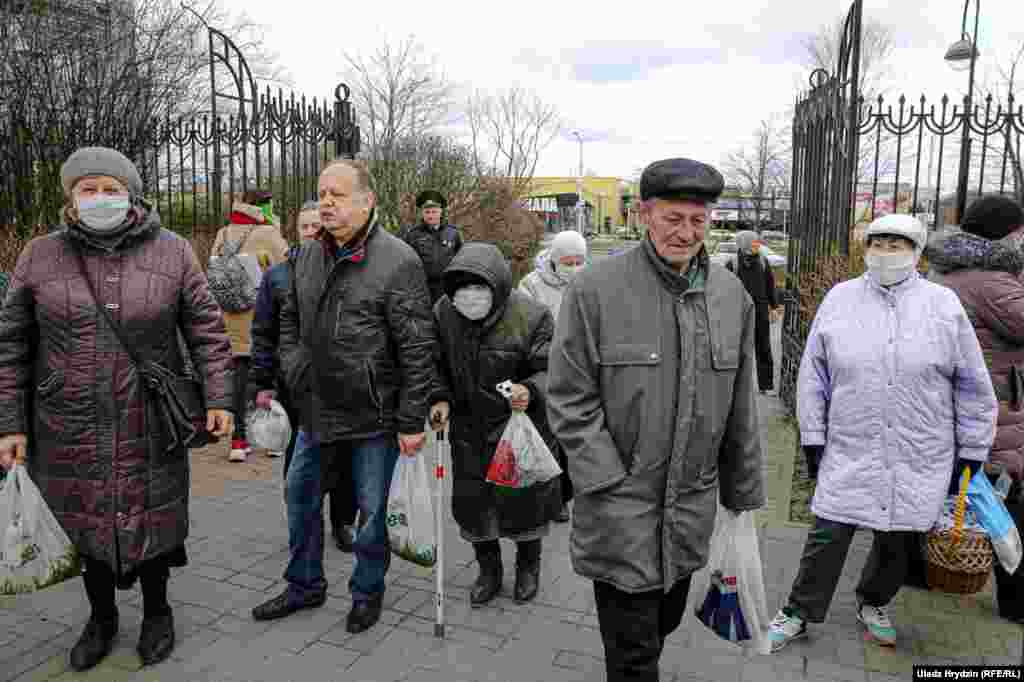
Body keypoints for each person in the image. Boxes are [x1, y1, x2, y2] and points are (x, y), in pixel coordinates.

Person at [0, 147, 235, 670]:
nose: (100, 198)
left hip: (149, 415)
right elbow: (11, 344)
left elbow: (206, 330)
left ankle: (158, 612)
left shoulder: (173, 251)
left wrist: (220, 397)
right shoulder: (40, 255)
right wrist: (9, 424)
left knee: (151, 512)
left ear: (132, 195)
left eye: (111, 189)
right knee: (86, 519)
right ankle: (101, 618)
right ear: (71, 198)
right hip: (67, 420)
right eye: (89, 189)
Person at [546, 158, 765, 682]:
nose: (686, 233)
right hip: (621, 511)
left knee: (664, 623)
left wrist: (742, 494)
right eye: (673, 218)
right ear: (644, 214)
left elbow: (741, 405)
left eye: (698, 220)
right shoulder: (594, 290)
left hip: (689, 510)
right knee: (633, 654)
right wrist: (607, 481)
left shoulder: (730, 296)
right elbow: (569, 397)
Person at [768, 214, 998, 652]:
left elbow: (972, 382)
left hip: (919, 449)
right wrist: (813, 435)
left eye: (897, 245)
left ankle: (873, 601)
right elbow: (813, 374)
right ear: (867, 249)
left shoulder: (942, 305)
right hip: (850, 444)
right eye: (879, 243)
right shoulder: (841, 299)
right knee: (828, 533)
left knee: (899, 539)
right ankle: (799, 610)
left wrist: (972, 448)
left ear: (916, 253)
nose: (886, 253)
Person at [251, 159, 446, 635]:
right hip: (316, 409)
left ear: (367, 201)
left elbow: (418, 347)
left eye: (337, 194)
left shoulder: (398, 260)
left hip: (373, 417)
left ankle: (367, 592)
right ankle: (304, 585)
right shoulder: (306, 255)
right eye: (322, 194)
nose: (327, 203)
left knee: (372, 511)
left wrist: (411, 421)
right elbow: (290, 318)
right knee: (300, 498)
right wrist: (295, 366)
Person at [434, 242, 562, 606]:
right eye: (463, 287)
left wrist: (530, 389)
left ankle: (528, 567)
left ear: (498, 285)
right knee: (474, 507)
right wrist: (438, 397)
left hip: (520, 428)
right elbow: (432, 362)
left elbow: (553, 368)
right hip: (468, 430)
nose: (470, 295)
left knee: (526, 503)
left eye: (479, 286)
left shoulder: (532, 315)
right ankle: (488, 570)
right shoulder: (445, 312)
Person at [927, 195, 1024, 622]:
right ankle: (1017, 599)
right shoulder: (993, 280)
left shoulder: (947, 269)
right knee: (1007, 496)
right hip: (996, 400)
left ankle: (919, 570)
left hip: (955, 397)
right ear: (1006, 234)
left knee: (946, 486)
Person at [248, 200, 358, 552]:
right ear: (295, 232)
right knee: (299, 460)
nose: (311, 233)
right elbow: (263, 333)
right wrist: (263, 383)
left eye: (316, 226)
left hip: (340, 384)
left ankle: (343, 521)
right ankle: (304, 522)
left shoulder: (347, 270)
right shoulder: (278, 276)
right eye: (304, 227)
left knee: (343, 459)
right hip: (294, 387)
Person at [210, 189, 290, 462]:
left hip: (231, 316)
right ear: (264, 207)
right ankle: (273, 440)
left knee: (240, 380)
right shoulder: (268, 233)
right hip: (262, 317)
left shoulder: (223, 233)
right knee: (269, 378)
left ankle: (238, 441)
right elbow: (287, 270)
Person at [517, 229, 589, 522]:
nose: (574, 267)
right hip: (545, 369)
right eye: (568, 262)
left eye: (579, 262)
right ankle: (554, 496)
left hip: (581, 370)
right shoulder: (531, 285)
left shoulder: (589, 281)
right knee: (550, 438)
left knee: (576, 437)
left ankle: (569, 493)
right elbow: (524, 329)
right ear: (555, 259)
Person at [726, 230, 779, 393]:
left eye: (758, 243)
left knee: (764, 348)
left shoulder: (763, 262)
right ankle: (735, 385)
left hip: (760, 313)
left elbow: (770, 285)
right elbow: (724, 290)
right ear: (745, 244)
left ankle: (766, 385)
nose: (758, 245)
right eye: (755, 243)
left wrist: (774, 307)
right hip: (738, 314)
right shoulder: (733, 264)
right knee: (737, 350)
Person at [397, 189, 463, 304]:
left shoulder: (453, 233)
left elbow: (461, 259)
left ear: (440, 212)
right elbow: (406, 263)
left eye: (434, 212)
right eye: (427, 212)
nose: (431, 216)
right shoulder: (413, 235)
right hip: (422, 288)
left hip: (447, 288)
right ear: (422, 213)